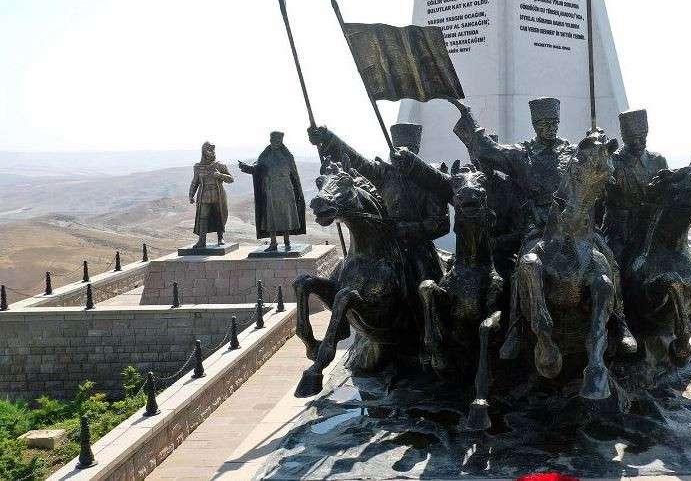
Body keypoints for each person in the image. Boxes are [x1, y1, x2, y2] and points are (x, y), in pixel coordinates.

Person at [449, 97, 636, 354]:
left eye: (554, 122)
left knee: (610, 261)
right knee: (522, 267)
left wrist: (599, 144)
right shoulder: (522, 154)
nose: (550, 127)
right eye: (544, 123)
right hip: (540, 228)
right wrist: (468, 116)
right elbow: (486, 150)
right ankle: (515, 326)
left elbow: (597, 168)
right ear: (535, 125)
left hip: (578, 226)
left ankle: (620, 321)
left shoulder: (573, 152)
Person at [308, 122, 449, 294]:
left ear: (415, 152)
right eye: (396, 149)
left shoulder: (430, 178)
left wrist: (403, 229)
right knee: (344, 273)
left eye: (407, 150)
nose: (400, 154)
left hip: (416, 248)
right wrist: (328, 138)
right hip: (383, 245)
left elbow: (441, 225)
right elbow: (357, 161)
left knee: (425, 286)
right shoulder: (384, 172)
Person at [602, 109, 667, 269]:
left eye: (642, 138)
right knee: (614, 267)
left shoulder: (658, 161)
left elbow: (667, 197)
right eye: (632, 139)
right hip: (620, 232)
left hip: (650, 231)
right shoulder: (612, 162)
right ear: (624, 137)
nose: (638, 142)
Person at [238, 131, 306, 252]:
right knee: (271, 217)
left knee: (286, 216)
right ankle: (273, 243)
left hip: (286, 190)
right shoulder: (265, 155)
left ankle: (287, 241)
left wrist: (299, 192)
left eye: (277, 140)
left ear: (281, 141)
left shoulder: (287, 156)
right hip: (271, 190)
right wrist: (247, 168)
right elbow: (257, 168)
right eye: (273, 140)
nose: (274, 142)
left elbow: (295, 175)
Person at [189, 142, 234, 248]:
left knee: (219, 215)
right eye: (209, 150)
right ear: (204, 152)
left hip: (218, 195)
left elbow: (231, 179)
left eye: (213, 150)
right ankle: (202, 241)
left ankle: (220, 238)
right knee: (203, 217)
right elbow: (195, 182)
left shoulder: (220, 165)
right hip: (204, 196)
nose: (212, 152)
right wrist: (191, 195)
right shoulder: (198, 167)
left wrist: (220, 175)